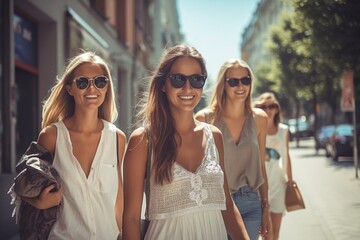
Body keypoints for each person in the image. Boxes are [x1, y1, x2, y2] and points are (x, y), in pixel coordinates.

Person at [122, 44, 249, 240]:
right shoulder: (143, 140)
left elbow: (227, 205)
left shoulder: (214, 136)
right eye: (178, 79)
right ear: (163, 84)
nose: (188, 88)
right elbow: (130, 218)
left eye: (196, 80)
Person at [23, 51, 126, 239]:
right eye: (82, 82)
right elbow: (22, 184)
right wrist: (38, 202)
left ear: (106, 88)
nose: (92, 88)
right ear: (70, 88)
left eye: (100, 82)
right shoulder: (51, 136)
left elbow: (118, 200)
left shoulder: (117, 138)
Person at [195, 58, 271, 240]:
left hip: (251, 201)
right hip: (217, 202)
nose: (240, 86)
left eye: (245, 80)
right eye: (233, 81)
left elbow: (261, 164)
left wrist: (266, 207)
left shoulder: (260, 118)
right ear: (223, 85)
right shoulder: (205, 119)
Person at [254, 92, 294, 240]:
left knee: (274, 232)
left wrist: (289, 180)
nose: (268, 109)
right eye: (264, 106)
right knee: (264, 233)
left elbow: (287, 156)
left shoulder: (283, 130)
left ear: (276, 109)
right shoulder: (253, 129)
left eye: (272, 106)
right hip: (259, 186)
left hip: (278, 185)